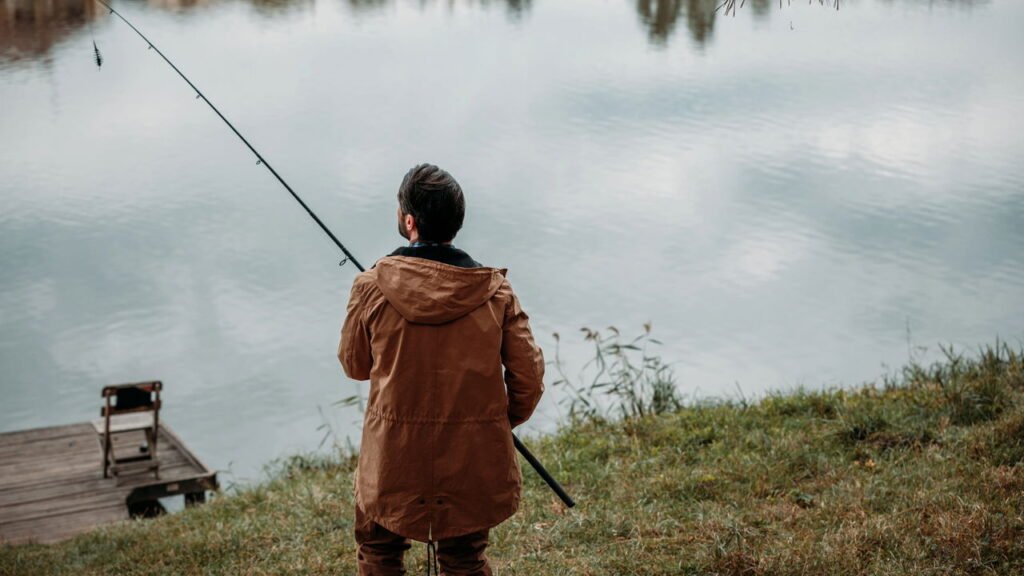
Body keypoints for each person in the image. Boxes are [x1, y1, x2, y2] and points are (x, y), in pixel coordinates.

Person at [338, 163, 545, 575]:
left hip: (390, 460)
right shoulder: (496, 292)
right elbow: (529, 379)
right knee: (465, 559)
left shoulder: (370, 287)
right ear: (456, 223)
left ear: (409, 222)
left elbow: (355, 365)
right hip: (471, 458)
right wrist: (494, 424)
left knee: (379, 550)